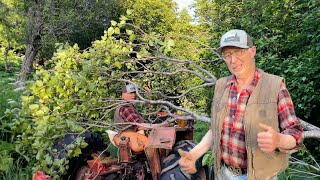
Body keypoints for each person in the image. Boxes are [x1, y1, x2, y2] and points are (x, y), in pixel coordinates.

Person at [178, 29, 304, 180]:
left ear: (252, 51)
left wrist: (278, 140)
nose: (233, 60)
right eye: (228, 55)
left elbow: (295, 133)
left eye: (238, 52)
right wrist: (193, 155)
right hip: (223, 173)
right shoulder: (221, 85)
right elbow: (215, 130)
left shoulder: (275, 86)